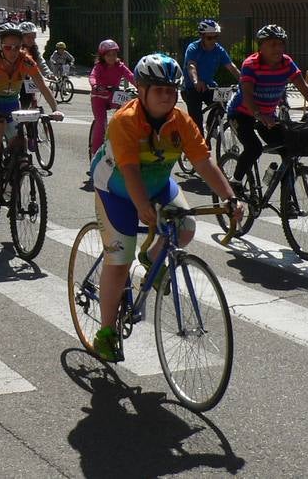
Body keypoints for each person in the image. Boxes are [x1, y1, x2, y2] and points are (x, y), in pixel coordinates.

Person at [88, 53, 241, 362]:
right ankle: (106, 332)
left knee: (185, 227)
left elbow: (202, 161)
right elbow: (129, 171)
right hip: (116, 189)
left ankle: (153, 257)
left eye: (171, 90)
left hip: (157, 185)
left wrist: (229, 196)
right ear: (141, 90)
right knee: (118, 261)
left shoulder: (180, 120)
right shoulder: (124, 122)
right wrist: (143, 207)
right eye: (159, 90)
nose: (167, 97)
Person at [225, 24, 308, 186]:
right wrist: (258, 115)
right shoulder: (251, 64)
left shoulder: (286, 63)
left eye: (280, 44)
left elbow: (303, 87)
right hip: (241, 113)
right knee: (254, 148)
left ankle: (287, 200)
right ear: (261, 47)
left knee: (287, 149)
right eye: (272, 44)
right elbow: (247, 95)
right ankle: (235, 181)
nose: (277, 49)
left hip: (268, 115)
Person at [0, 23, 63, 191]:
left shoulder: (25, 60)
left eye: (17, 47)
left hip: (12, 106)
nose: (13, 51)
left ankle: (12, 186)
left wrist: (55, 109)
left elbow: (42, 85)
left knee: (20, 149)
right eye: (8, 47)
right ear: (0, 46)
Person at [181, 19, 241, 135]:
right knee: (196, 119)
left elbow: (231, 66)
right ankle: (200, 144)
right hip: (191, 88)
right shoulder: (193, 48)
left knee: (223, 104)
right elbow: (191, 65)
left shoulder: (218, 50)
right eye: (209, 38)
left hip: (209, 85)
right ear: (202, 37)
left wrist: (244, 81)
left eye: (215, 37)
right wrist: (196, 81)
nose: (213, 41)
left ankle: (210, 126)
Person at [88, 39, 135, 158]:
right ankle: (95, 153)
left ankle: (118, 135)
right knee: (101, 122)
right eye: (109, 55)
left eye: (114, 54)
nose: (112, 57)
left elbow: (130, 76)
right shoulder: (99, 67)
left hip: (113, 96)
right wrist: (95, 86)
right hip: (98, 97)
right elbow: (92, 77)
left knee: (124, 114)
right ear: (103, 56)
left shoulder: (120, 66)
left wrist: (142, 87)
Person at [17, 21, 52, 108]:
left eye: (34, 38)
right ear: (21, 37)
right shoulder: (15, 49)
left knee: (33, 98)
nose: (32, 40)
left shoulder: (33, 48)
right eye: (29, 37)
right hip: (16, 80)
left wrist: (48, 73)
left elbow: (40, 61)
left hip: (29, 79)